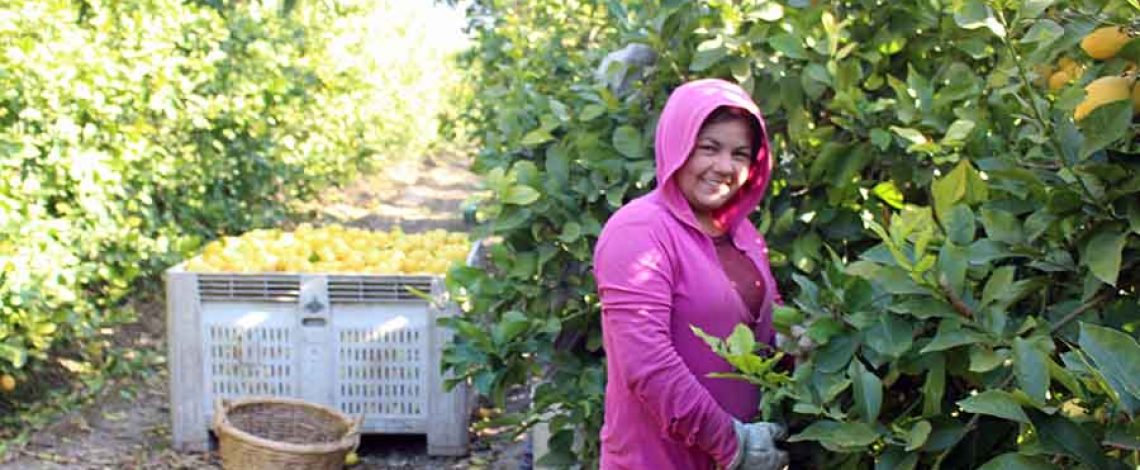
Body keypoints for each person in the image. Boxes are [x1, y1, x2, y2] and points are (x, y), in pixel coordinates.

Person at [593, 78, 789, 469]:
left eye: (740, 154)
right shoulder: (639, 232)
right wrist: (732, 444)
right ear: (677, 145)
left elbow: (768, 318)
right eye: (709, 148)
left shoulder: (743, 234)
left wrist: (797, 338)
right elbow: (647, 364)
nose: (724, 167)